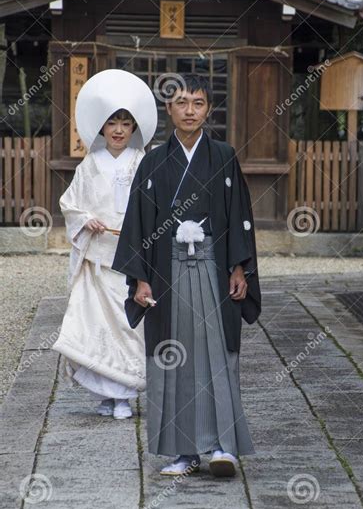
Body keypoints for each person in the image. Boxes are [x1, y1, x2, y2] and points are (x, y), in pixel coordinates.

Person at [112, 73, 261, 476]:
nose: (190, 110)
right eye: (182, 103)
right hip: (167, 270)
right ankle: (184, 452)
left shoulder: (224, 156)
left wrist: (239, 268)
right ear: (169, 109)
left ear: (208, 109)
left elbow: (238, 216)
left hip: (213, 268)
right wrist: (140, 279)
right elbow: (138, 224)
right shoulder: (154, 161)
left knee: (218, 355)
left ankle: (222, 447)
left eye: (197, 103)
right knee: (173, 356)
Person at [52, 69, 157, 420]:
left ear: (134, 129)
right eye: (112, 122)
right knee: (94, 326)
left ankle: (123, 395)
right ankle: (105, 393)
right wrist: (84, 220)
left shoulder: (143, 163)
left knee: (129, 327)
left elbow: (154, 207)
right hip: (96, 259)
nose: (118, 130)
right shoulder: (89, 164)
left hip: (130, 260)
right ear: (102, 127)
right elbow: (70, 203)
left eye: (126, 124)